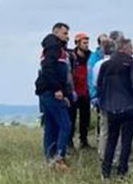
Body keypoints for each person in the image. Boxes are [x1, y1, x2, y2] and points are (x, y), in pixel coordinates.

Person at [97, 38, 133, 178]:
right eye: (131, 48)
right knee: (126, 141)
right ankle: (122, 171)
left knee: (111, 139)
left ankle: (106, 171)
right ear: (124, 48)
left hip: (111, 107)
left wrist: (105, 101)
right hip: (128, 107)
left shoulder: (106, 65)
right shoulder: (131, 63)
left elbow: (99, 85)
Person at [35, 23, 72, 170]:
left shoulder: (55, 47)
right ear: (56, 33)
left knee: (51, 126)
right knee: (65, 124)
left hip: (48, 91)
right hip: (50, 92)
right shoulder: (53, 46)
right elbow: (48, 68)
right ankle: (59, 158)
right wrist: (57, 89)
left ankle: (50, 158)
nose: (67, 36)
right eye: (64, 33)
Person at [69, 32, 92, 149]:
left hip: (85, 92)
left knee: (85, 119)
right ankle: (70, 141)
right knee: (71, 118)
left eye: (87, 42)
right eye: (84, 43)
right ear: (77, 43)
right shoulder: (71, 56)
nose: (87, 45)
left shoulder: (90, 56)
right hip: (74, 92)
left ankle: (84, 141)